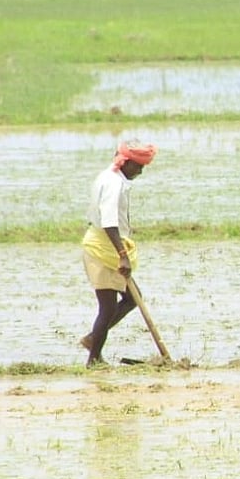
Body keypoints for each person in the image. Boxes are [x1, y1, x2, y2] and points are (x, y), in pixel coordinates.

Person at [80, 140, 158, 367]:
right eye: (138, 166)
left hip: (108, 246)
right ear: (125, 162)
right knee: (108, 307)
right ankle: (94, 359)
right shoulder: (112, 183)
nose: (140, 171)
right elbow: (109, 222)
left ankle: (93, 339)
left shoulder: (111, 177)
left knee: (132, 298)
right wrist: (122, 255)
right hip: (103, 249)